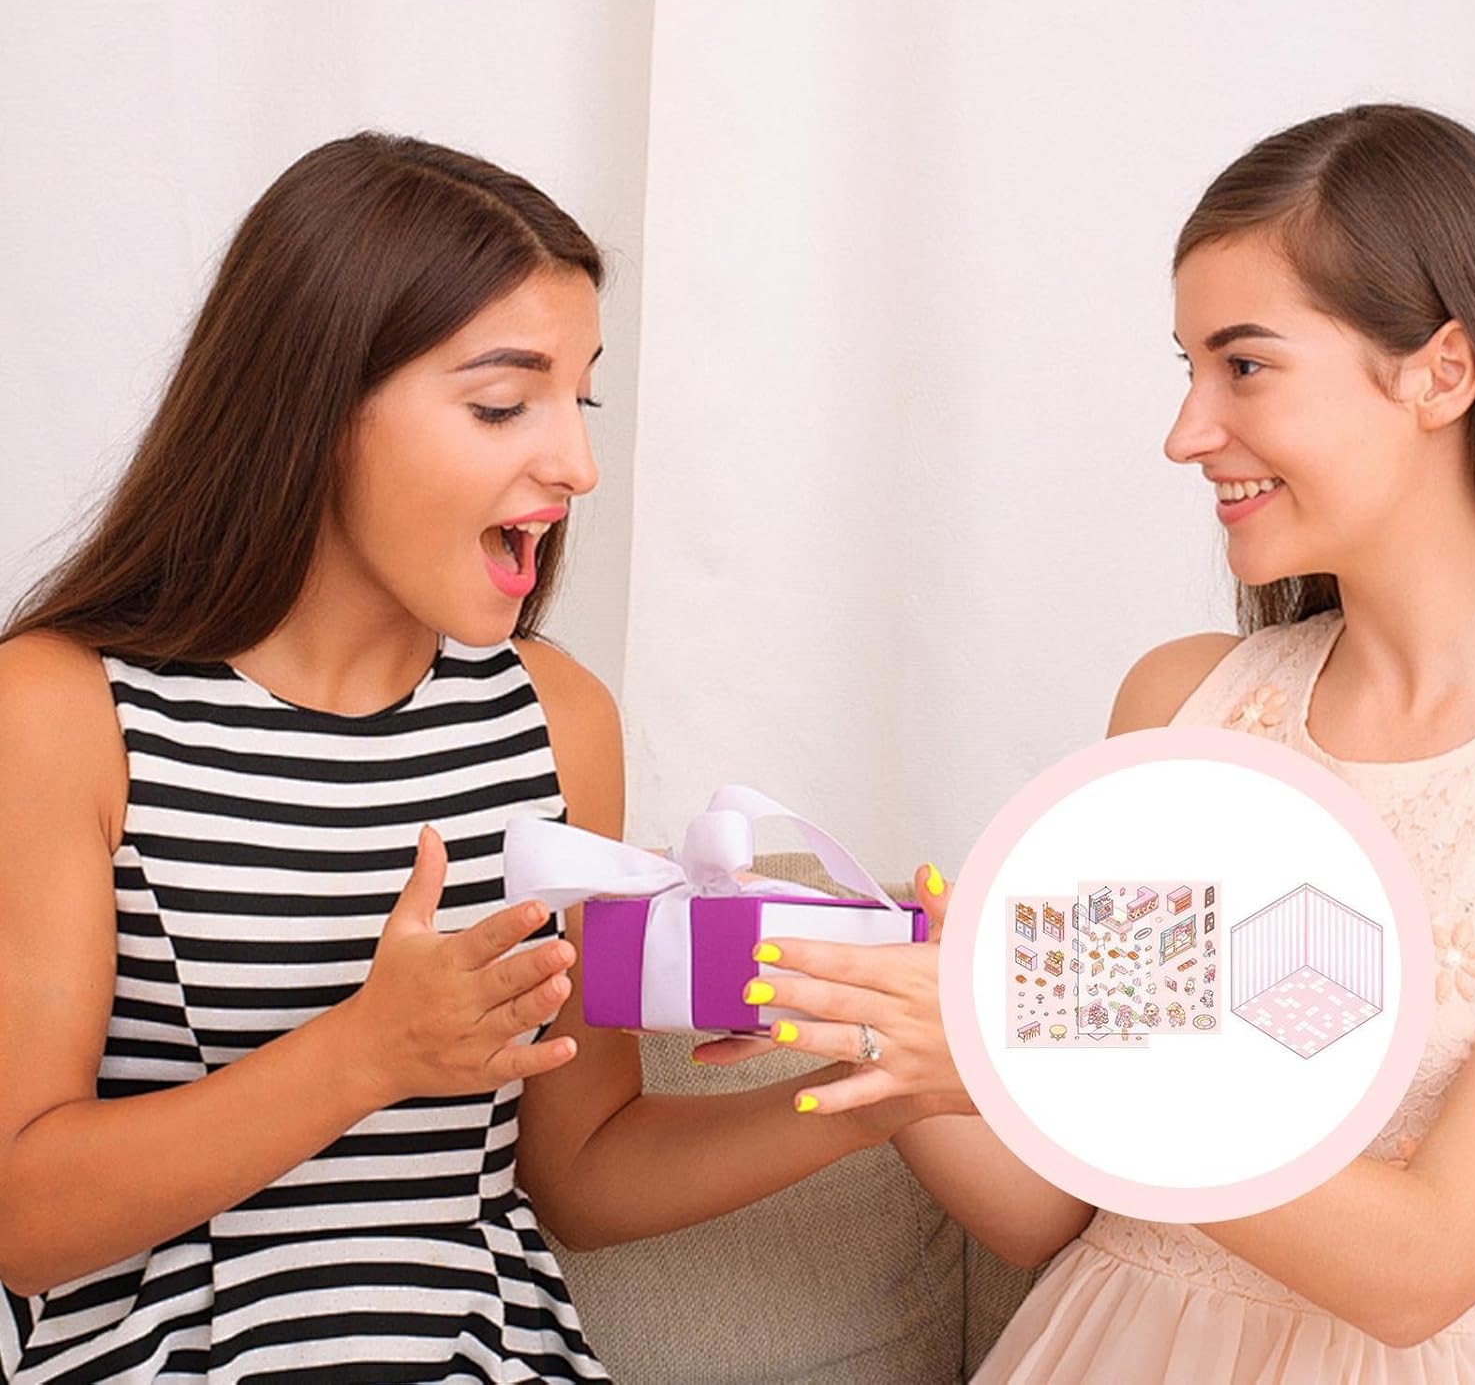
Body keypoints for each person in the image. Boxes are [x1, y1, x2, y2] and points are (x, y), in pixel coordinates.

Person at [0, 133, 962, 1383]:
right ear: (313, 407)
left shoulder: (555, 719)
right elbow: (25, 1222)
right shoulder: (61, 709)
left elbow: (586, 1175)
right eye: (504, 405)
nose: (577, 467)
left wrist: (885, 1092)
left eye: (581, 402)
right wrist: (368, 1053)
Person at [698, 104, 1475, 1382]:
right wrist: (860, 1004)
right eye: (1188, 370)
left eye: (1244, 367)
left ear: (1440, 374)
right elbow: (1045, 1211)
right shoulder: (1184, 708)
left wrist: (1022, 1043)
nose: (1186, 433)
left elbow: (1421, 1272)